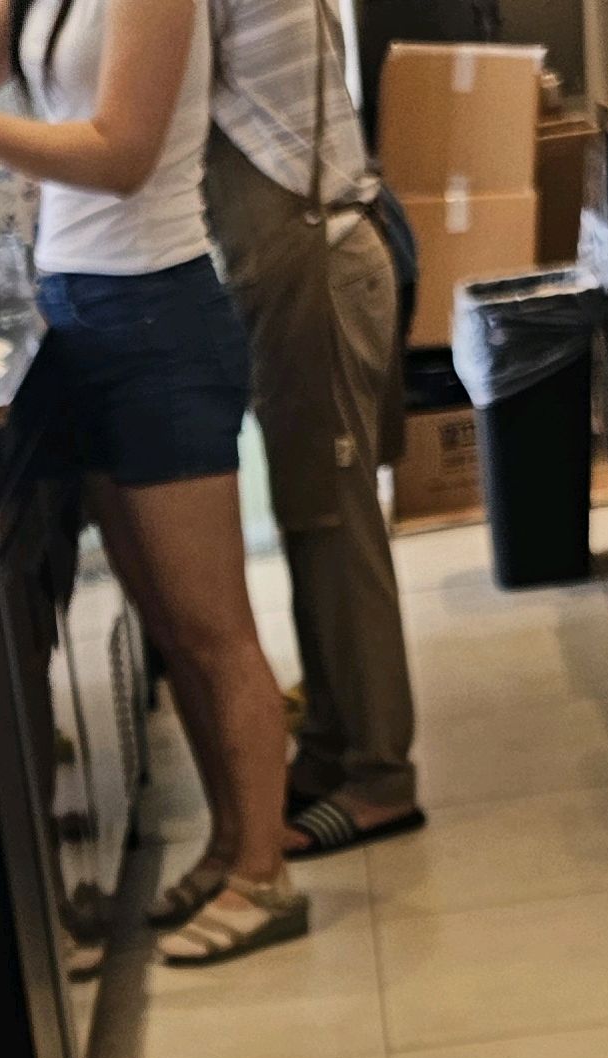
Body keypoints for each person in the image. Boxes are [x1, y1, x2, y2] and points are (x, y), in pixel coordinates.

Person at [0, 0, 308, 963]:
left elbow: (121, 153)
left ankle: (267, 876)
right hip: (80, 313)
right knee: (169, 623)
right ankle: (231, 842)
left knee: (215, 628)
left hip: (157, 316)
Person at [202, 0, 421, 858]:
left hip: (317, 265)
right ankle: (333, 745)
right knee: (311, 521)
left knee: (340, 530)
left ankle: (380, 779)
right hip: (301, 266)